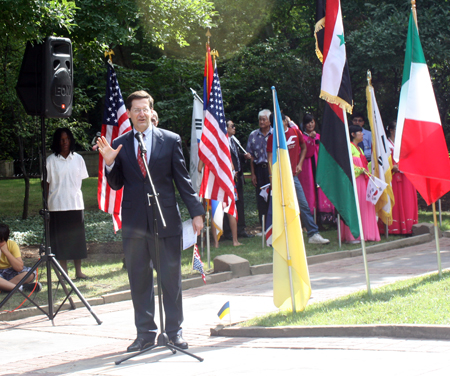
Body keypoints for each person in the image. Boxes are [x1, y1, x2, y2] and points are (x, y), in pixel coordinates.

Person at [97, 90, 204, 352]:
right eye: (136, 110)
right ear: (130, 114)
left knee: (170, 279)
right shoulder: (120, 144)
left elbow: (183, 181)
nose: (141, 114)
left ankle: (174, 332)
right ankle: (145, 334)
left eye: (145, 109)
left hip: (165, 220)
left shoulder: (170, 140)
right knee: (140, 280)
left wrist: (196, 212)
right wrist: (110, 164)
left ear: (151, 110)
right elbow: (116, 182)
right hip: (134, 224)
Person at [267, 113, 330, 245]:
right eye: (275, 122)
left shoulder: (295, 132)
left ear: (285, 121)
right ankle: (273, 236)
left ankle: (313, 233)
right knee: (276, 206)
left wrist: (300, 163)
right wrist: (272, 177)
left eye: (280, 120)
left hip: (293, 176)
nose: (278, 124)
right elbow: (270, 158)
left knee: (303, 204)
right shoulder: (273, 138)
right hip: (279, 177)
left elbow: (304, 148)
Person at [46, 128, 89, 279]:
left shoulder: (78, 159)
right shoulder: (51, 160)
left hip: (75, 204)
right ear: (57, 141)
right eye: (61, 140)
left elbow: (80, 182)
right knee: (61, 241)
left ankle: (78, 272)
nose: (65, 142)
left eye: (67, 139)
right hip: (57, 205)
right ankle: (64, 273)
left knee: (76, 240)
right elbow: (46, 184)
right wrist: (45, 204)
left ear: (71, 140)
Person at [340, 125, 380, 243]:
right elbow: (347, 165)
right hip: (355, 180)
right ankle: (353, 235)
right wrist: (360, 170)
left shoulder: (359, 149)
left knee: (363, 205)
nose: (362, 134)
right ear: (353, 134)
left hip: (363, 181)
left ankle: (366, 233)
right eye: (360, 132)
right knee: (355, 206)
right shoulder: (349, 147)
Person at [378, 121, 418, 235]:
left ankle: (409, 226)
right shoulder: (385, 144)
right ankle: (394, 227)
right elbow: (381, 161)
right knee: (395, 200)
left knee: (407, 199)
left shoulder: (405, 144)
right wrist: (391, 167)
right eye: (397, 129)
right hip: (393, 177)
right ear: (391, 130)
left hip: (406, 177)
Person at [298, 114, 336, 225]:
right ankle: (310, 220)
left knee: (321, 191)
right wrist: (311, 139)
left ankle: (323, 219)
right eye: (308, 122)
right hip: (308, 167)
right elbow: (307, 153)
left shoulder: (319, 136)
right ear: (304, 125)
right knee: (309, 192)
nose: (310, 124)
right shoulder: (302, 137)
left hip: (320, 166)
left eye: (312, 122)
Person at [223, 120, 253, 241]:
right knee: (228, 204)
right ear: (226, 128)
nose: (234, 128)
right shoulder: (223, 141)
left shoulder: (234, 140)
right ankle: (228, 231)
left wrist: (244, 157)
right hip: (229, 177)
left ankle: (241, 229)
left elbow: (236, 155)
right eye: (232, 126)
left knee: (240, 203)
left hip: (238, 177)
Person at [247, 109, 273, 226]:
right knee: (261, 197)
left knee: (273, 195)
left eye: (264, 119)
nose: (261, 122)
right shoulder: (253, 135)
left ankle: (273, 223)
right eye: (260, 119)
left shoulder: (275, 134)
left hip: (272, 169)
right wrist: (253, 174)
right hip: (259, 169)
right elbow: (251, 156)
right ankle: (263, 225)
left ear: (269, 121)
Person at [0, 223, 41, 293]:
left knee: (30, 274)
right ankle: (20, 288)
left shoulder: (12, 244)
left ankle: (4, 287)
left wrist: (6, 252)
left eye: (1, 241)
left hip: (11, 272)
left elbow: (19, 268)